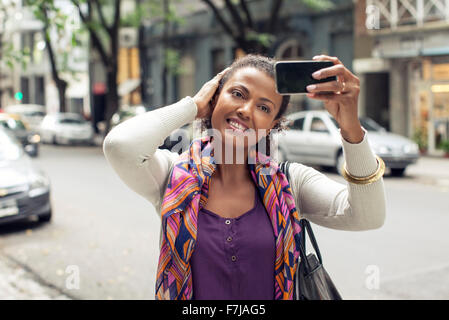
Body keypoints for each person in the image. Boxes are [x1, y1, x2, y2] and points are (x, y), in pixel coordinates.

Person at [103, 54, 386, 300]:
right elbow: (120, 146)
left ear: (272, 125)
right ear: (214, 97)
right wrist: (191, 106)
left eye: (264, 108)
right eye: (237, 94)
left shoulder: (289, 184)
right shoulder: (172, 176)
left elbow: (368, 216)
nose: (246, 110)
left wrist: (350, 125)